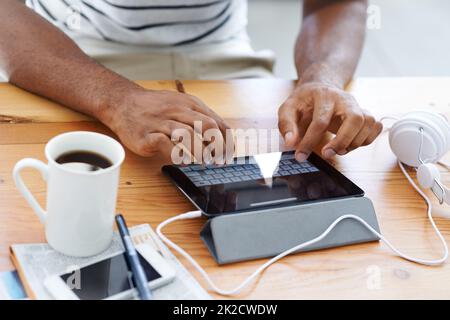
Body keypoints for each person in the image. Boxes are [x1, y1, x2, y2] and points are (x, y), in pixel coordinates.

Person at [0, 0, 382, 162]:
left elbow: (336, 3)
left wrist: (322, 78)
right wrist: (114, 99)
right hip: (65, 44)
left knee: (275, 185)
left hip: (219, 48)